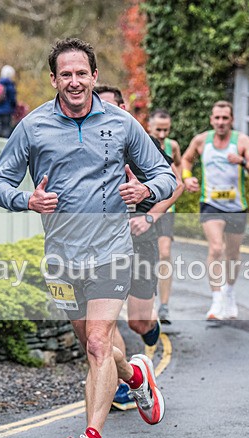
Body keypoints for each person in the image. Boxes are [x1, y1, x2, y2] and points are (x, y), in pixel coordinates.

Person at [0, 38, 176, 438]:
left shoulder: (122, 124)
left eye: (82, 73)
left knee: (97, 342)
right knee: (97, 347)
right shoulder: (32, 128)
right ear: (53, 79)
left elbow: (165, 175)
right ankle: (135, 376)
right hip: (62, 258)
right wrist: (26, 200)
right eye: (65, 74)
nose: (74, 81)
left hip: (111, 250)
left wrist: (146, 191)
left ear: (94, 76)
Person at [94, 86, 182, 410]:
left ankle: (151, 326)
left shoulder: (141, 141)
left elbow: (175, 184)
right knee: (104, 321)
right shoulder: (86, 143)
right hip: (103, 242)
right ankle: (120, 383)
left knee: (137, 322)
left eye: (109, 106)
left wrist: (149, 214)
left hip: (141, 238)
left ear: (123, 107)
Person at [181, 101, 249, 320]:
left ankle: (229, 292)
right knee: (216, 248)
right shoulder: (201, 140)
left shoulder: (241, 141)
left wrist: (242, 161)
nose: (220, 122)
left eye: (225, 118)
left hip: (236, 206)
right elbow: (186, 160)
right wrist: (187, 179)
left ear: (231, 120)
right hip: (211, 203)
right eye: (217, 118)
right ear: (211, 120)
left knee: (233, 254)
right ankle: (217, 300)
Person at [147, 109, 182, 325]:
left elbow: (179, 171)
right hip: (145, 210)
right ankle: (147, 301)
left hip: (167, 209)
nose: (161, 134)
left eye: (165, 130)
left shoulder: (173, 146)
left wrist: (188, 177)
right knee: (146, 256)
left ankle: (165, 306)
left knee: (165, 253)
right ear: (149, 127)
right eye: (158, 129)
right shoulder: (143, 142)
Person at [0, 65, 17, 138]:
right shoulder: (9, 85)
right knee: (6, 128)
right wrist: (14, 108)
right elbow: (12, 99)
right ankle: (6, 145)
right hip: (6, 111)